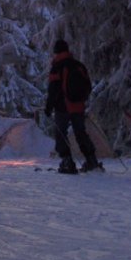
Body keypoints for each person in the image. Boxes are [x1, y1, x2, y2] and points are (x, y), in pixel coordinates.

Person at [45, 39, 101, 174]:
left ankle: (67, 161)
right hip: (78, 105)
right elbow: (87, 85)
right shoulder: (78, 65)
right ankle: (91, 160)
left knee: (61, 133)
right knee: (80, 133)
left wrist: (49, 107)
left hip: (62, 107)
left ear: (56, 52)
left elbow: (53, 89)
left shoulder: (57, 66)